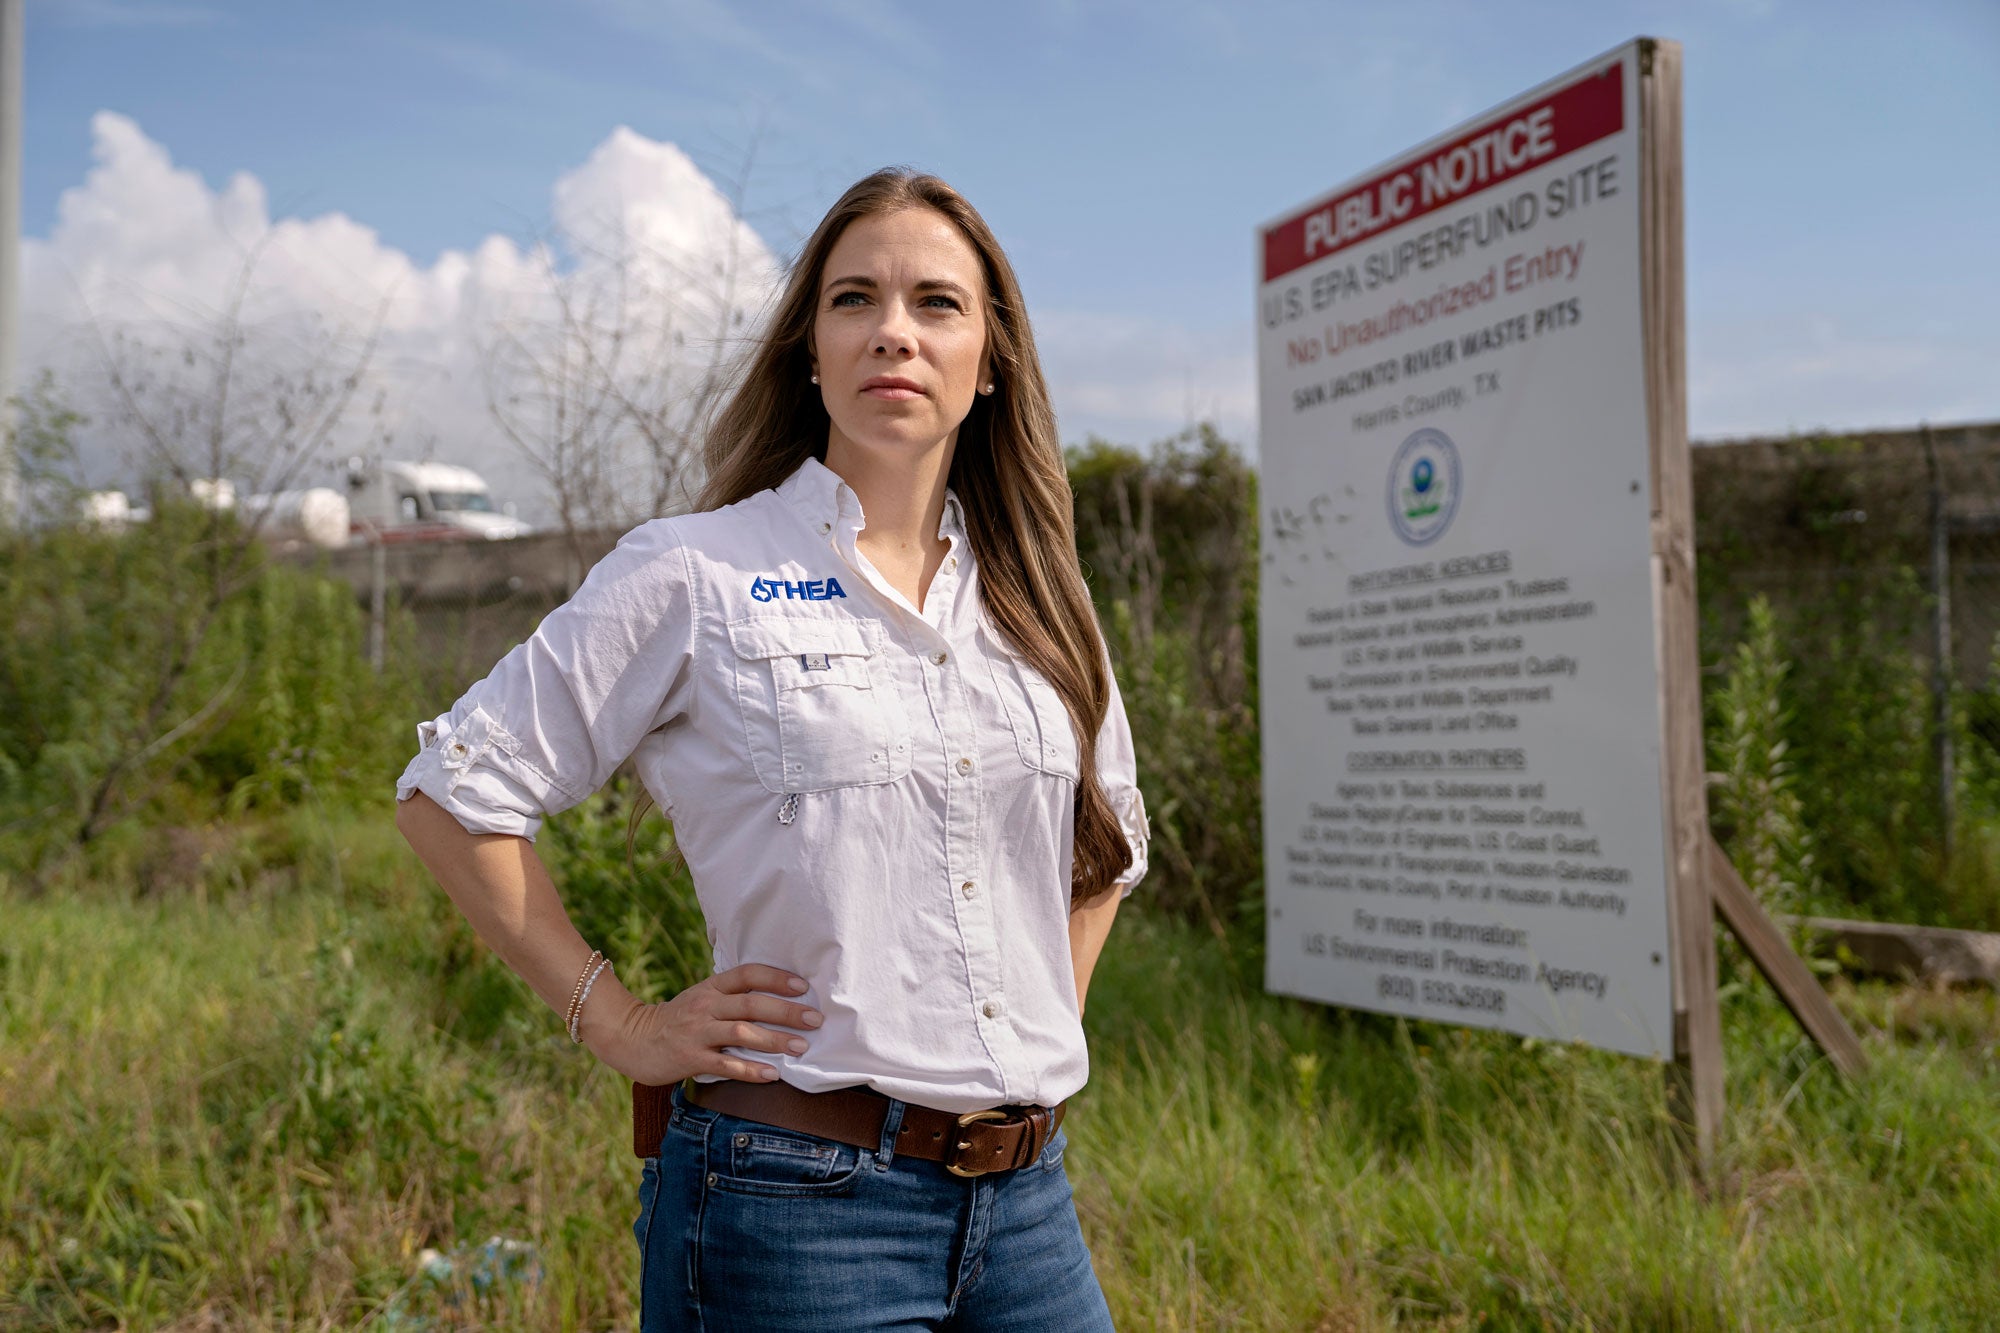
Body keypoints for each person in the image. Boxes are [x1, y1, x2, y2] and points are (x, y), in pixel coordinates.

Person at [394, 167, 1150, 1331]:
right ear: (809, 347)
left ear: (991, 357)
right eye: (854, 299)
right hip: (793, 1207)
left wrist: (1021, 1036)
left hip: (1028, 1210)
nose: (893, 330)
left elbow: (1104, 849)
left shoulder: (1043, 599)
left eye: (937, 303)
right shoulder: (692, 572)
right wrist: (617, 1021)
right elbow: (451, 793)